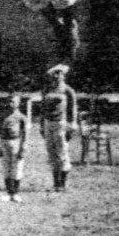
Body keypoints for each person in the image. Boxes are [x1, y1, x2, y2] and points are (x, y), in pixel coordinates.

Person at [40, 64, 78, 192]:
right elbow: (43, 109)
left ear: (63, 75)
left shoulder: (68, 91)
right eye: (55, 74)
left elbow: (73, 109)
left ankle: (63, 184)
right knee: (51, 153)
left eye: (59, 74)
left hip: (61, 123)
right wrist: (41, 125)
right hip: (48, 123)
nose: (57, 76)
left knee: (62, 153)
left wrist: (72, 125)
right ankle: (56, 184)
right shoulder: (47, 90)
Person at [0, 92, 29, 202]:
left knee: (17, 168)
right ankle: (9, 193)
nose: (10, 104)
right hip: (4, 142)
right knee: (6, 168)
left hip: (16, 142)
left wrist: (22, 148)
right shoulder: (2, 116)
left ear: (18, 103)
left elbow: (25, 134)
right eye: (9, 101)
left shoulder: (22, 117)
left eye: (13, 102)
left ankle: (16, 193)